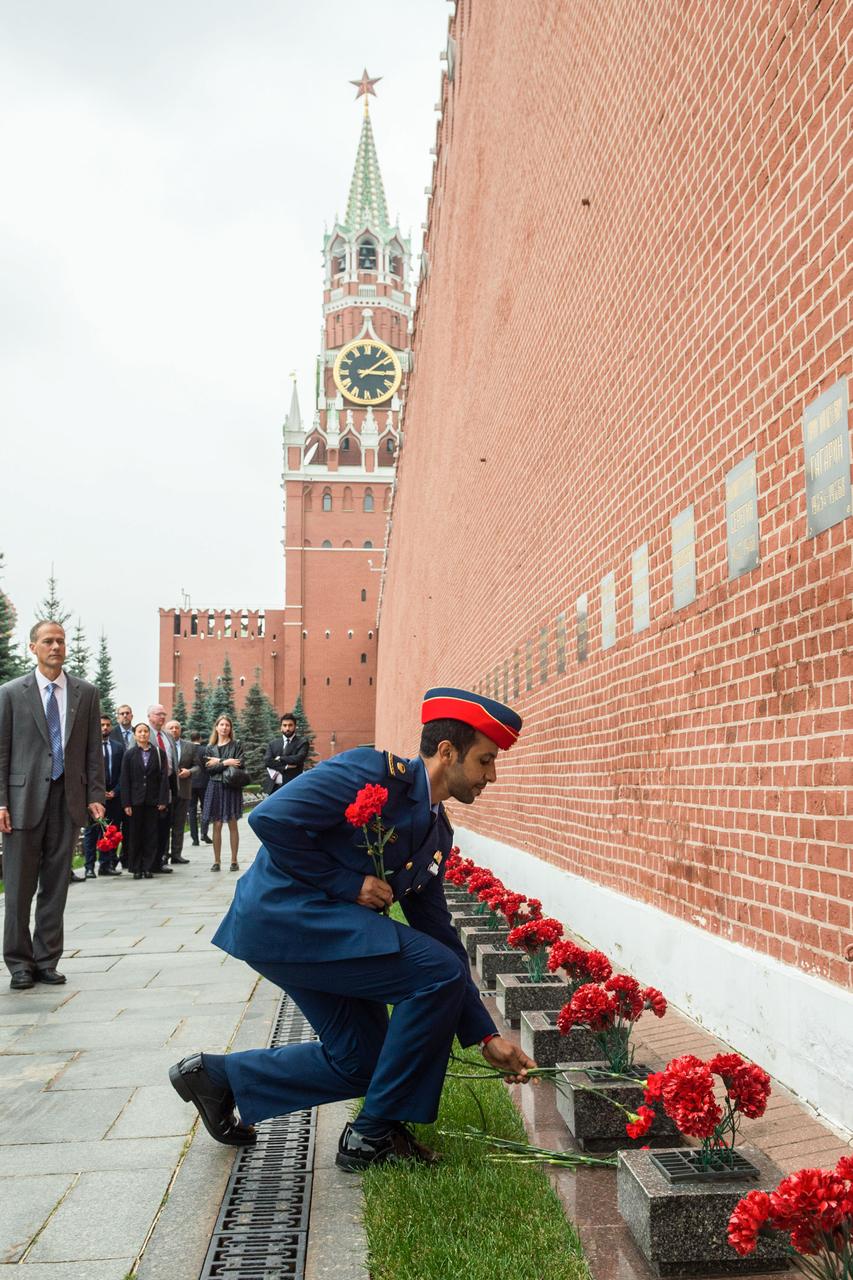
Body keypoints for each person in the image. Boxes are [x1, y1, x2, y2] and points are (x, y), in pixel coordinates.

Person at [169, 687, 537, 1164]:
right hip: (284, 919)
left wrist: (485, 1035)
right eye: (486, 761)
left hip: (323, 936)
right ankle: (372, 1136)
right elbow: (270, 819)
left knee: (366, 1060)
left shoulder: (435, 829)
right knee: (437, 973)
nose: (493, 775)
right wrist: (349, 884)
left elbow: (438, 931)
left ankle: (217, 1079)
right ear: (447, 752)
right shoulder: (368, 774)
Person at [0, 621, 105, 990]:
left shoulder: (85, 693)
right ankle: (18, 963)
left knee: (56, 887)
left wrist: (95, 794)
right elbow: (1, 751)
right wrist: (1, 802)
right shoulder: (11, 693)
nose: (56, 646)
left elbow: (94, 750)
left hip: (67, 800)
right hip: (22, 802)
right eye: (48, 641)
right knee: (18, 888)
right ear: (33, 647)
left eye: (60, 641)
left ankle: (46, 960)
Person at [120, 724, 169, 879]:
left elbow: (163, 779)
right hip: (135, 801)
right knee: (135, 835)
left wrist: (162, 800)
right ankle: (136, 867)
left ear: (149, 734)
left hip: (152, 801)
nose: (143, 734)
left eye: (145, 731)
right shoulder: (129, 754)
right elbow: (125, 779)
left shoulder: (159, 754)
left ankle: (148, 867)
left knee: (151, 835)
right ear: (135, 735)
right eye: (139, 731)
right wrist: (126, 803)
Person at [82, 715, 124, 878]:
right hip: (94, 797)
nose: (105, 728)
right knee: (91, 832)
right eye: (101, 725)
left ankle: (106, 865)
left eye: (107, 725)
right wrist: (97, 793)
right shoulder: (88, 747)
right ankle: (89, 867)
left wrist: (115, 791)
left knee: (110, 831)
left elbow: (122, 773)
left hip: (113, 796)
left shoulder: (118, 747)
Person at [201, 716, 244, 872]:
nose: (224, 727)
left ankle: (234, 860)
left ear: (230, 728)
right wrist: (226, 762)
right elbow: (209, 769)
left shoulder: (236, 745)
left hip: (231, 786)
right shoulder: (210, 747)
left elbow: (240, 763)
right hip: (215, 787)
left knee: (233, 823)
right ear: (216, 727)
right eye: (221, 724)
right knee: (217, 824)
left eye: (227, 725)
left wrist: (218, 761)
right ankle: (217, 861)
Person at [165, 718, 200, 864]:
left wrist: (189, 772)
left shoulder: (190, 746)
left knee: (179, 824)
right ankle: (163, 855)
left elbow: (198, 766)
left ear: (180, 730)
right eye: (171, 728)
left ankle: (176, 855)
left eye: (176, 728)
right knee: (165, 825)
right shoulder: (163, 745)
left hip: (184, 789)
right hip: (166, 791)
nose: (174, 730)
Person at [147, 703, 175, 874]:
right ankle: (150, 861)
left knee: (165, 825)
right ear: (149, 716)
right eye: (158, 714)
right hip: (150, 788)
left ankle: (161, 859)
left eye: (164, 714)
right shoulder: (143, 733)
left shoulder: (167, 736)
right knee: (151, 827)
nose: (162, 717)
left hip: (169, 784)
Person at [263, 714, 310, 793]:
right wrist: (286, 766)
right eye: (284, 725)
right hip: (273, 788)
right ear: (281, 727)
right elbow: (267, 761)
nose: (287, 728)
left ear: (295, 726)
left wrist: (280, 758)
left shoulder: (302, 743)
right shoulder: (273, 744)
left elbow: (299, 759)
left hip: (292, 786)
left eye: (290, 725)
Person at [187, 730, 211, 846]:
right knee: (205, 808)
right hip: (204, 783)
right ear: (200, 738)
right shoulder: (205, 750)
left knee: (191, 810)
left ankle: (194, 838)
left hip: (190, 783)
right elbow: (209, 766)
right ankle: (204, 833)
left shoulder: (187, 750)